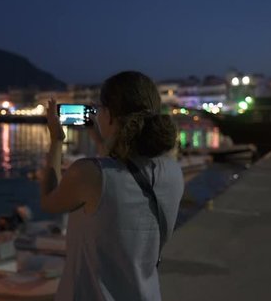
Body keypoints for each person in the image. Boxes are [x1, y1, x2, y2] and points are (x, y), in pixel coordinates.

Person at [39, 70, 184, 300]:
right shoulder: (174, 172)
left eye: (100, 109)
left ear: (108, 115)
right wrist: (99, 139)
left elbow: (48, 200)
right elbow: (123, 169)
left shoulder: (87, 173)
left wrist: (56, 141)